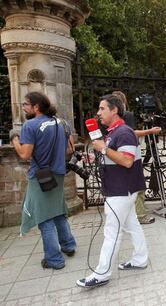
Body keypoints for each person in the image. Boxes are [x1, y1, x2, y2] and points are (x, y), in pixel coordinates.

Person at [77, 94, 148, 288]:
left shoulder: (124, 132)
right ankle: (140, 259)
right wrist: (98, 155)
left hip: (121, 190)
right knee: (132, 225)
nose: (98, 113)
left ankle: (102, 273)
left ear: (114, 110)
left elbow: (126, 160)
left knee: (112, 232)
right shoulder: (114, 132)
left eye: (102, 109)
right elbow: (116, 157)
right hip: (121, 189)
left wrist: (103, 149)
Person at [10, 91, 76, 270]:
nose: (23, 107)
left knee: (44, 217)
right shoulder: (61, 122)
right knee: (57, 210)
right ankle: (68, 245)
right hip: (59, 173)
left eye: (25, 104)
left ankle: (54, 259)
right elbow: (69, 151)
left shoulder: (30, 125)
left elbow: (24, 154)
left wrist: (14, 139)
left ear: (36, 107)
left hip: (40, 176)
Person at [112, 90, 161, 225]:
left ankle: (130, 212)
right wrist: (150, 131)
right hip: (132, 155)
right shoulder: (127, 115)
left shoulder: (111, 118)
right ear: (124, 102)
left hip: (118, 156)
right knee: (138, 185)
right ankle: (140, 214)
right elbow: (131, 133)